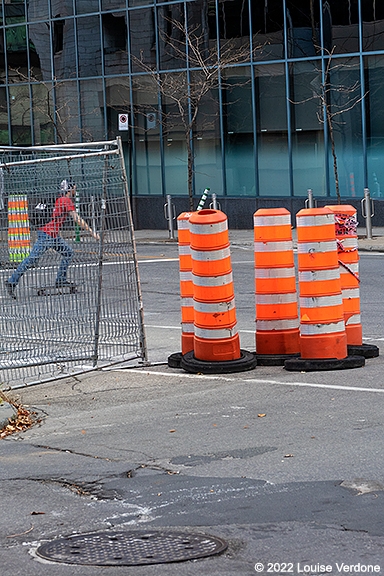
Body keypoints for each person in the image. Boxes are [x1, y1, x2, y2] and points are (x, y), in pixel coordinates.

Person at [5, 179, 99, 299]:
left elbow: (55, 218)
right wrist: (92, 233)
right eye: (74, 187)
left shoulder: (58, 198)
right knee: (32, 259)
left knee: (68, 252)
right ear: (70, 189)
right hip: (47, 235)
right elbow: (77, 219)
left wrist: (57, 234)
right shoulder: (65, 200)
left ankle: (61, 280)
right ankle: (12, 281)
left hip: (52, 235)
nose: (75, 189)